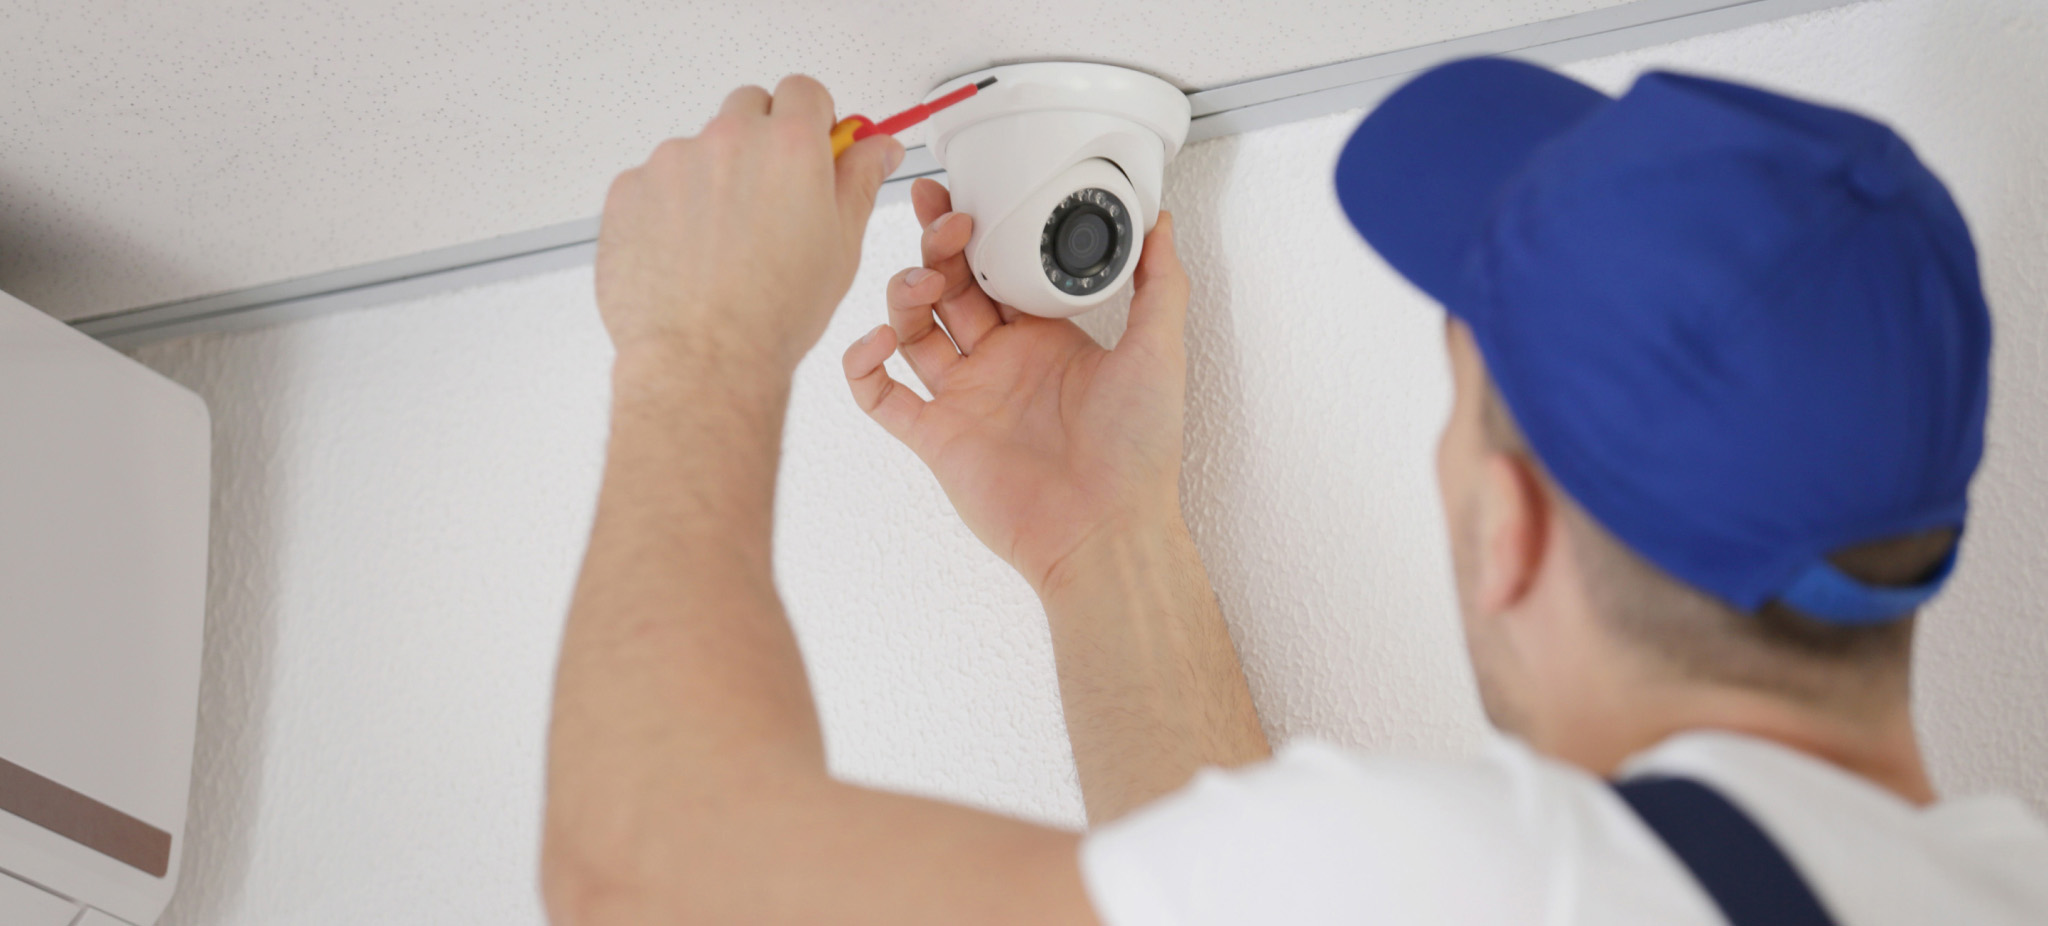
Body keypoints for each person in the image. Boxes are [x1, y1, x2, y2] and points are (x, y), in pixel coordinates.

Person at [538, 59, 2048, 925]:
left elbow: (637, 878)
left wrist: (696, 346)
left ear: (1503, 533)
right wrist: (1100, 540)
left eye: (1460, 403)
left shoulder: (1532, 886)